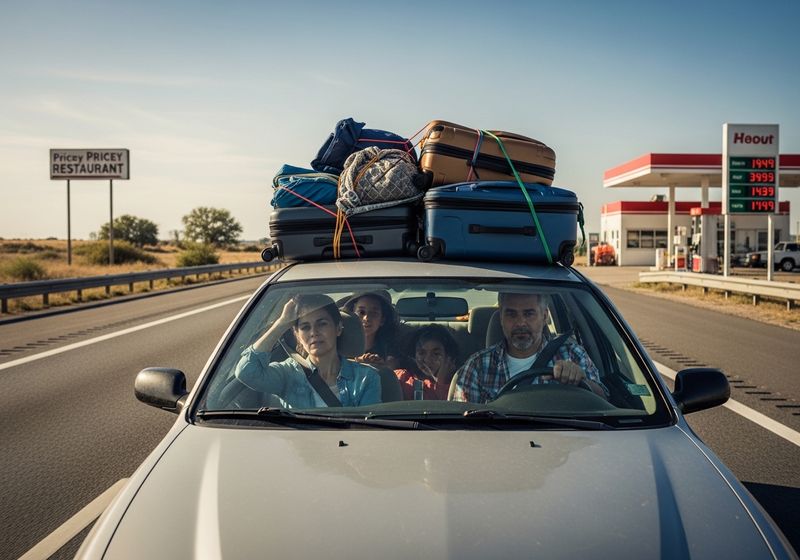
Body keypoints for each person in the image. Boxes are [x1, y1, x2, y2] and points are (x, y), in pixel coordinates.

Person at [451, 292, 608, 403]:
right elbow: (462, 427)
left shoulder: (572, 355)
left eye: (529, 314)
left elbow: (604, 402)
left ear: (544, 316)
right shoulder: (477, 367)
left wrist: (580, 380)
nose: (520, 323)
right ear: (501, 318)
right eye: (511, 314)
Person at [235, 294, 381, 408]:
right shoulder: (287, 373)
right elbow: (246, 371)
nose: (313, 333)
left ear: (338, 328)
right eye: (305, 327)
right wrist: (282, 323)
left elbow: (366, 430)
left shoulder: (366, 377)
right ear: (298, 336)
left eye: (322, 324)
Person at [394, 325, 460, 400]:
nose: (428, 360)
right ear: (414, 354)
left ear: (448, 356)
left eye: (436, 354)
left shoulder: (457, 384)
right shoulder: (401, 378)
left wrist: (441, 383)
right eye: (421, 353)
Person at [343, 290, 400, 369]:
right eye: (361, 312)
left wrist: (381, 366)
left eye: (374, 313)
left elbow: (394, 366)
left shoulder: (390, 349)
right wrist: (357, 363)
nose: (366, 318)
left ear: (382, 320)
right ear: (352, 316)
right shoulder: (339, 345)